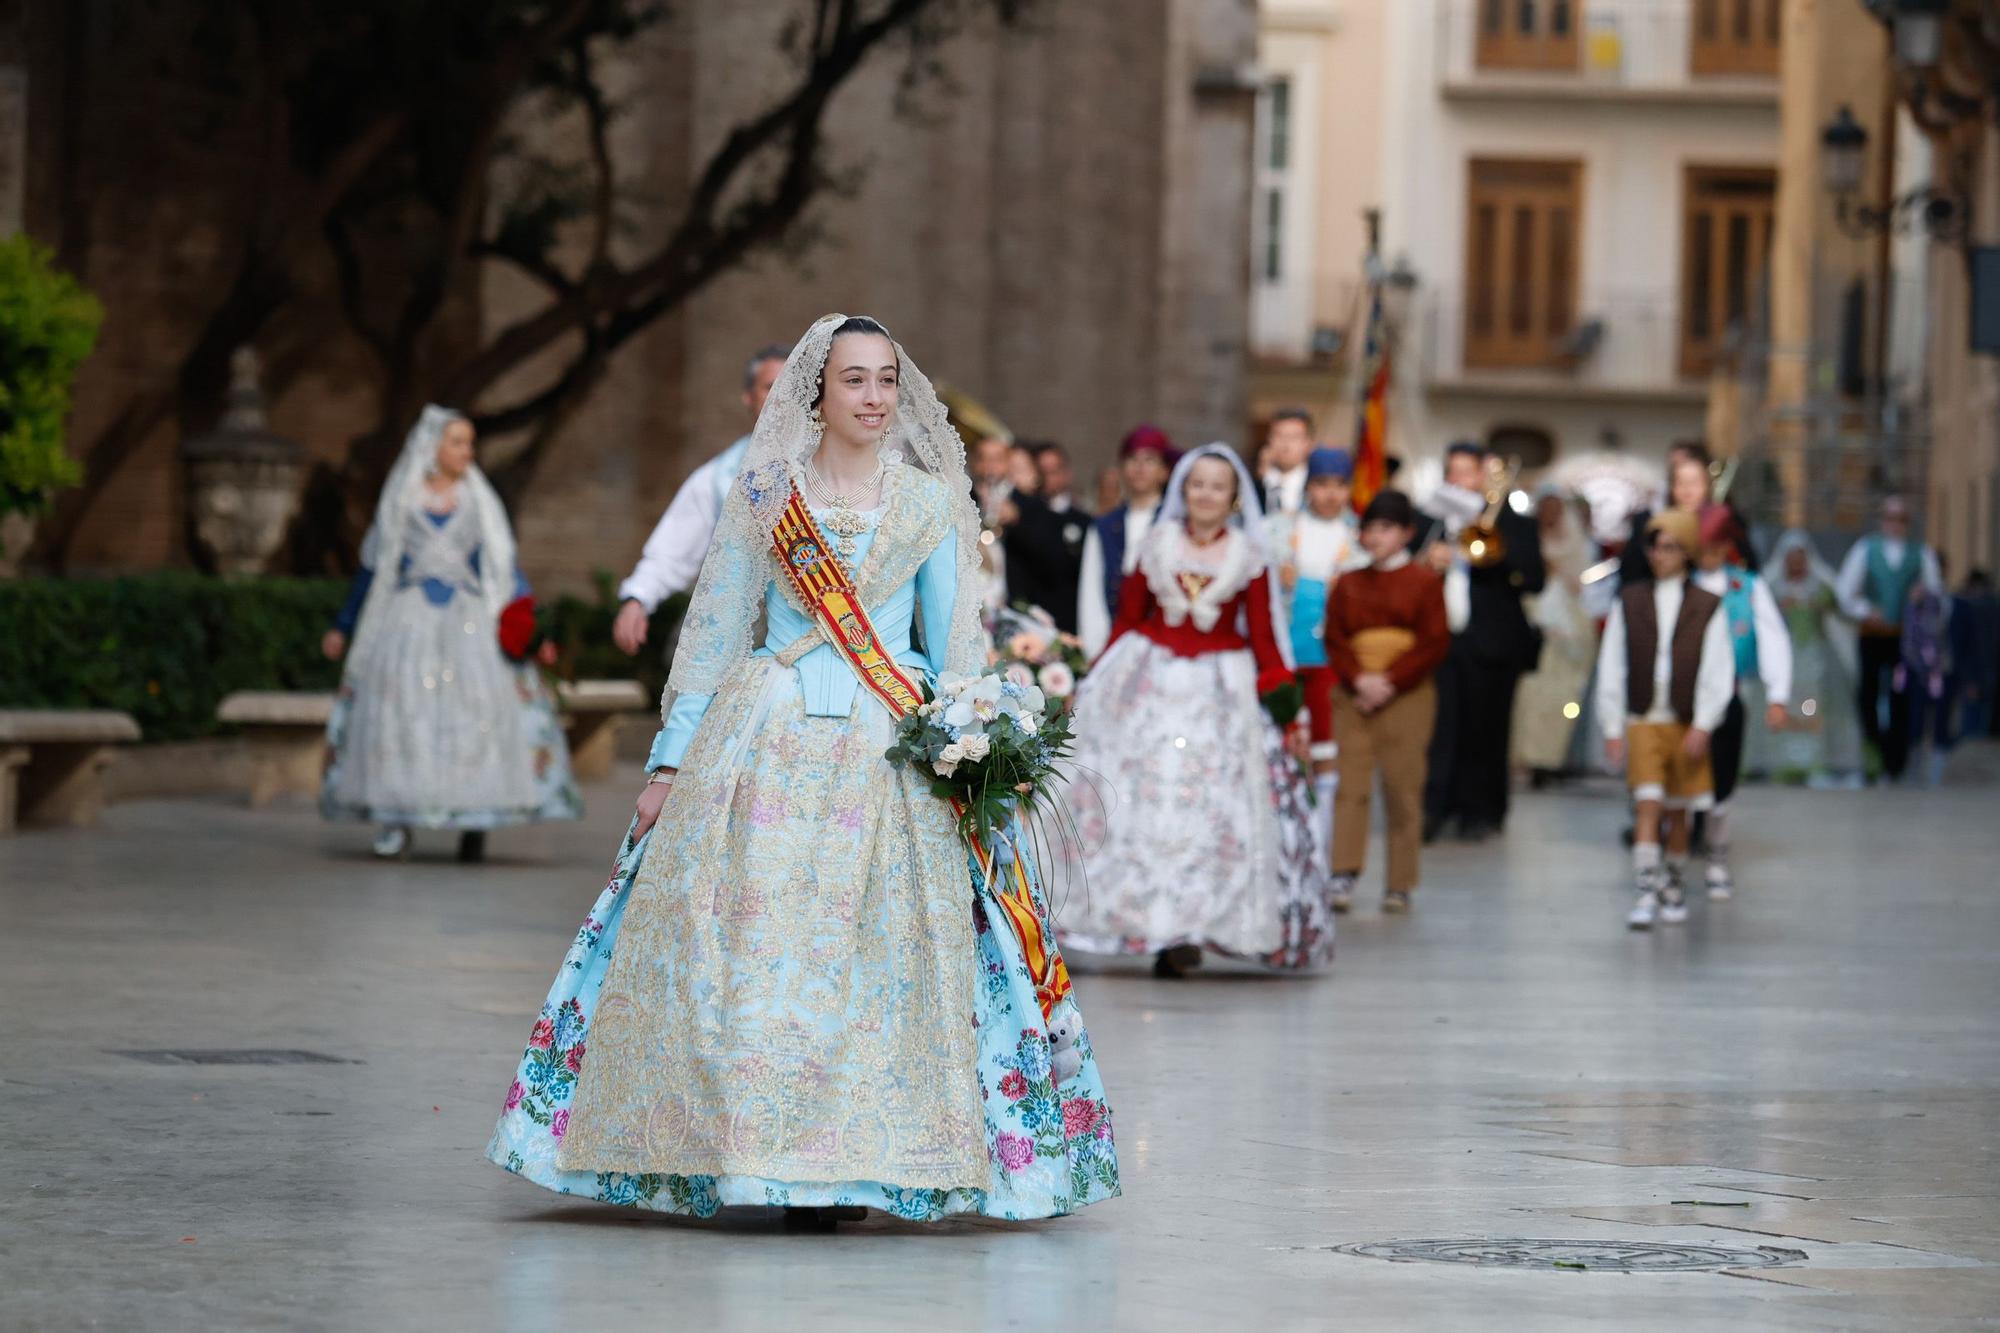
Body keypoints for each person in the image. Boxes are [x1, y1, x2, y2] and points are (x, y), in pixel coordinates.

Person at [486, 315, 1118, 1225]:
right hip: (766, 735)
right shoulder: (763, 495)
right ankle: (754, 1149)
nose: (873, 398)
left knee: (876, 959)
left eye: (887, 381)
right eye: (855, 379)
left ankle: (858, 1159)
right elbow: (711, 639)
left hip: (887, 748)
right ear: (814, 391)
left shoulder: (932, 504)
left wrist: (978, 757)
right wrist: (667, 767)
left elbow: (953, 649)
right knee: (750, 949)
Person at [1056, 443, 1334, 977]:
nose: (1206, 494)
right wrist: (1095, 684)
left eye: (1218, 487)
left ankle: (1193, 927)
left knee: (1212, 807)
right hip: (1149, 679)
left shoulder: (1248, 555)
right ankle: (1144, 919)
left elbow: (1267, 641)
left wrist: (1288, 711)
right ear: (1183, 492)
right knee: (1141, 801)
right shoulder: (1157, 543)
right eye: (1197, 485)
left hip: (1220, 691)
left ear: (1233, 498)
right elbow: (1128, 621)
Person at [320, 407, 580, 861]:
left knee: (473, 716)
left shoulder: (479, 499)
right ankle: (397, 820)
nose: (467, 451)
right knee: (402, 715)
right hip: (409, 620)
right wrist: (343, 626)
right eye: (458, 442)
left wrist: (532, 631)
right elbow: (374, 568)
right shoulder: (403, 498)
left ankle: (473, 819)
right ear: (433, 447)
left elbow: (505, 568)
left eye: (469, 443)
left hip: (469, 621)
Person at [1594, 509, 1734, 930]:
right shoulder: (1631, 600)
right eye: (1654, 546)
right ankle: (1644, 888)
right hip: (1643, 719)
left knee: (1679, 813)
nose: (1660, 554)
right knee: (1648, 805)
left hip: (1685, 721)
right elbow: (1612, 664)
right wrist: (1612, 726)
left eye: (1670, 546)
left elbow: (1718, 669)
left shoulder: (1707, 606)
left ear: (1688, 552)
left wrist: (1705, 723)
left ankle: (1672, 881)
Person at [612, 344, 790, 656]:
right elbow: (672, 550)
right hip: (732, 640)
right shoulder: (719, 477)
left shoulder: (837, 467)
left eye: (790, 386)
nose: (780, 398)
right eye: (769, 387)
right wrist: (636, 600)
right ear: (748, 397)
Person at [1325, 490, 1450, 915]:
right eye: (1370, 528)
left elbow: (1434, 642)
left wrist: (1391, 681)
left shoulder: (1425, 583)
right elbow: (1335, 638)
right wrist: (1359, 678)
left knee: (1402, 787)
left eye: (1386, 528)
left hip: (1407, 695)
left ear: (1407, 533)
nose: (1376, 536)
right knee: (1351, 786)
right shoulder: (1348, 583)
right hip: (1354, 693)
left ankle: (1400, 883)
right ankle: (1343, 871)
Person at [1417, 441, 1545, 842]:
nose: (1459, 480)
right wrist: (1428, 561)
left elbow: (1535, 578)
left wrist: (1495, 552)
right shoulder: (1430, 521)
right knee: (1439, 728)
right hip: (1439, 640)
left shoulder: (1512, 520)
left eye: (1466, 472)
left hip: (1490, 642)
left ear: (1482, 475)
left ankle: (1481, 810)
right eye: (1452, 472)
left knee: (1486, 728)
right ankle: (1435, 808)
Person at [1692, 504, 1792, 899]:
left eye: (1718, 542)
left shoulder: (1747, 587)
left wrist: (1777, 695)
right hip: (1685, 700)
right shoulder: (1681, 585)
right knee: (1683, 782)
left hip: (1729, 698)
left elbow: (1773, 638)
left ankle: (1717, 855)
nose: (1710, 550)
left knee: (1722, 781)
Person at [1277, 446, 1365, 857]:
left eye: (1339, 485)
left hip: (1332, 663)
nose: (1330, 494)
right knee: (1283, 749)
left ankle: (1322, 850)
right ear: (1308, 486)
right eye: (1321, 484)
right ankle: (1283, 844)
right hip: (1283, 660)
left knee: (1328, 752)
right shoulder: (1277, 531)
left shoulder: (1362, 538)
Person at [1835, 495, 1945, 782]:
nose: (1895, 525)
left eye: (1901, 520)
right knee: (1868, 695)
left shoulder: (1920, 554)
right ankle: (1873, 752)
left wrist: (1923, 598)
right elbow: (1844, 591)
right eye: (1890, 518)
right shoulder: (1866, 549)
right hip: (1873, 634)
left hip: (1904, 639)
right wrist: (1864, 610)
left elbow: (1937, 597)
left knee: (1901, 696)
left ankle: (1896, 759)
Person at [1763, 531, 1865, 783]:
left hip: (1815, 664)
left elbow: (1843, 612)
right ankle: (1784, 762)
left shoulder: (1820, 588)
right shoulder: (1773, 589)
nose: (1796, 563)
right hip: (1784, 663)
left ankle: (1814, 760)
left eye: (1800, 558)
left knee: (1811, 709)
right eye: (1792, 558)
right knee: (1784, 709)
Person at [1512, 488, 1599, 782]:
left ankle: (1550, 760)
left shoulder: (1574, 544)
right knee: (1528, 696)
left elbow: (1581, 583)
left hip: (1565, 627)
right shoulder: (1527, 539)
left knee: (1562, 697)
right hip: (1534, 621)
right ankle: (1523, 756)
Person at [1076, 426, 1177, 658]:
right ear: (1122, 468)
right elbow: (1091, 594)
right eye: (1132, 459)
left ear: (1164, 471)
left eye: (1149, 460)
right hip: (1114, 647)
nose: (1140, 467)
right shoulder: (1104, 527)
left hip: (1165, 648)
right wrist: (1098, 652)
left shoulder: (1175, 523)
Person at [970, 434, 1081, 631]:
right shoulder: (964, 500)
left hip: (1017, 613)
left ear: (1008, 463)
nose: (990, 466)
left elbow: (1053, 559)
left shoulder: (1031, 505)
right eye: (983, 458)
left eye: (997, 459)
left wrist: (1017, 521)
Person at [1617, 442, 1756, 590]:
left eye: (1694, 483)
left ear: (1707, 487)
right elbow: (1632, 575)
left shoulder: (1724, 523)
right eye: (1680, 483)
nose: (1687, 491)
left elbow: (1745, 566)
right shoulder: (1653, 524)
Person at [1952, 568, 1999, 743]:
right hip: (1989, 678)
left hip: (1974, 677)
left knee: (1971, 732)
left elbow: (1963, 647)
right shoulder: (1993, 605)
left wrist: (1968, 678)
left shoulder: (1968, 608)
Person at [1260, 407, 1315, 519]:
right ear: (1269, 439)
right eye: (1279, 436)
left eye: (1294, 437)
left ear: (1309, 443)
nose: (1286, 444)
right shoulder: (1256, 485)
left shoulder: (1315, 486)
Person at [1034, 440, 1089, 515]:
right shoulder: (1029, 512)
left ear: (1067, 472)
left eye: (1054, 471)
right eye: (1043, 472)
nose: (1049, 479)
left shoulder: (1082, 512)